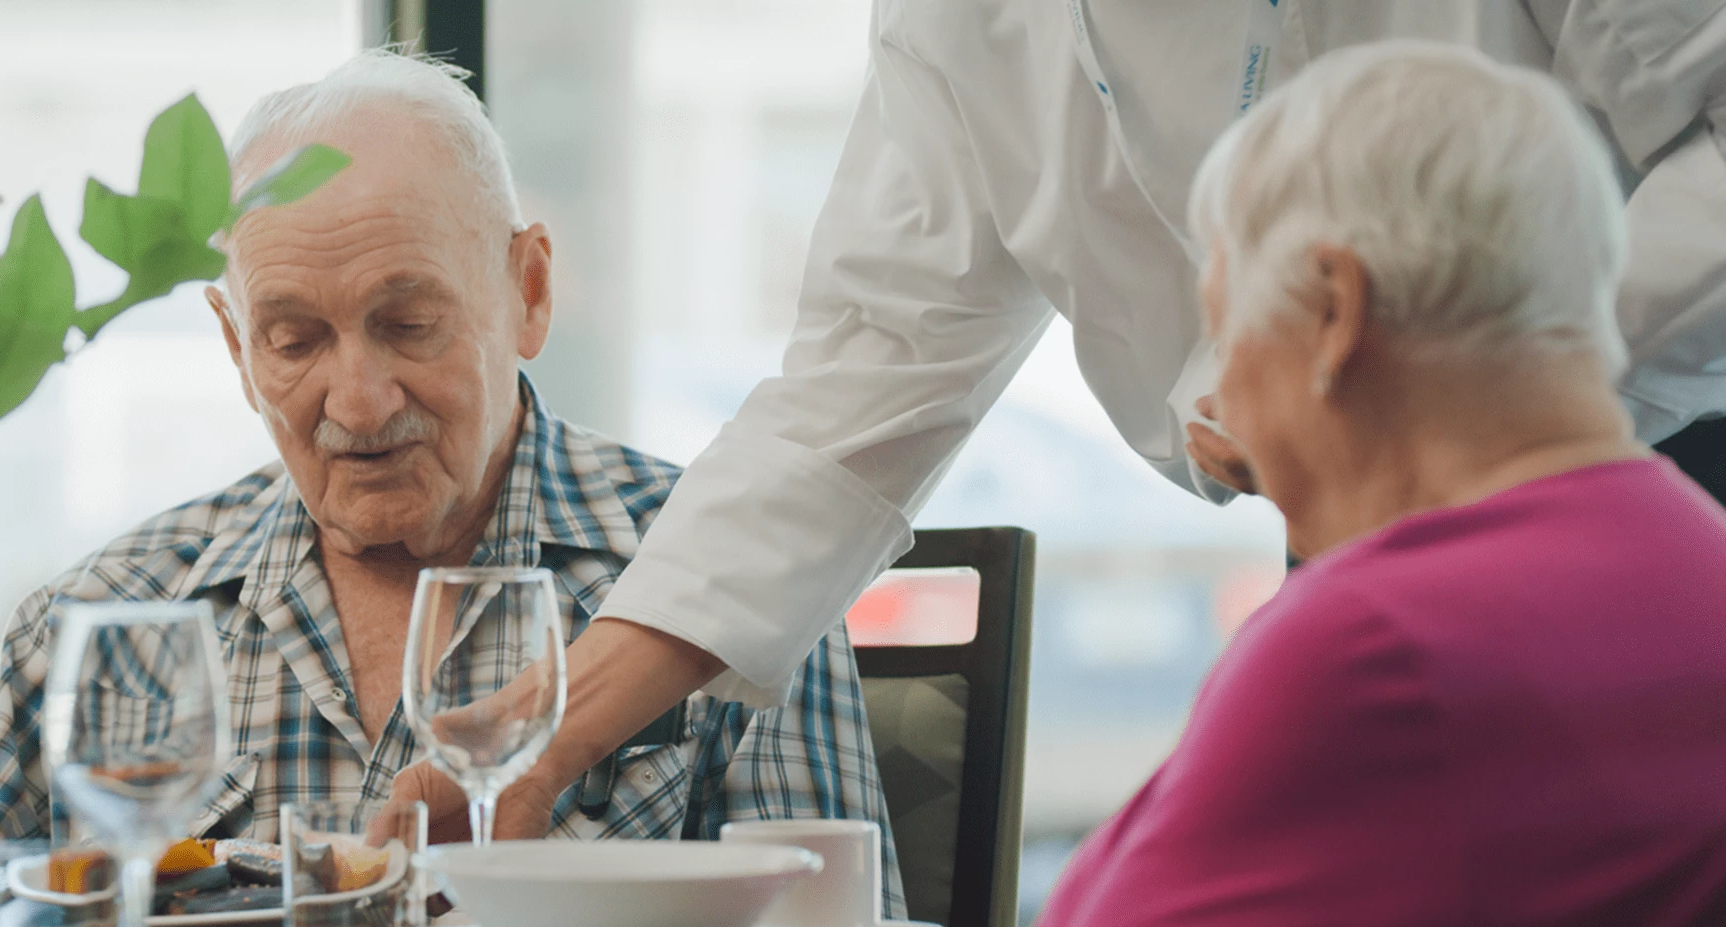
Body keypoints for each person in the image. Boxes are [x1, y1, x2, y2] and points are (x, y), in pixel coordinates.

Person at [446, 0, 1726, 844]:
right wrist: (544, 738)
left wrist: (1442, 360)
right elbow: (861, 379)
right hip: (1359, 533)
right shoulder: (954, 24)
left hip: (1660, 457)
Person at [0, 52, 903, 915]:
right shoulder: (95, 625)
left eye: (409, 324)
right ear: (236, 344)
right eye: (293, 340)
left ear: (528, 291)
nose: (359, 406)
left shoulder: (740, 586)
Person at [953, 42, 1726, 927]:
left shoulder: (1376, 644)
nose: (1222, 400)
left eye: (1225, 328)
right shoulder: (1696, 565)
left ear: (1332, 310)